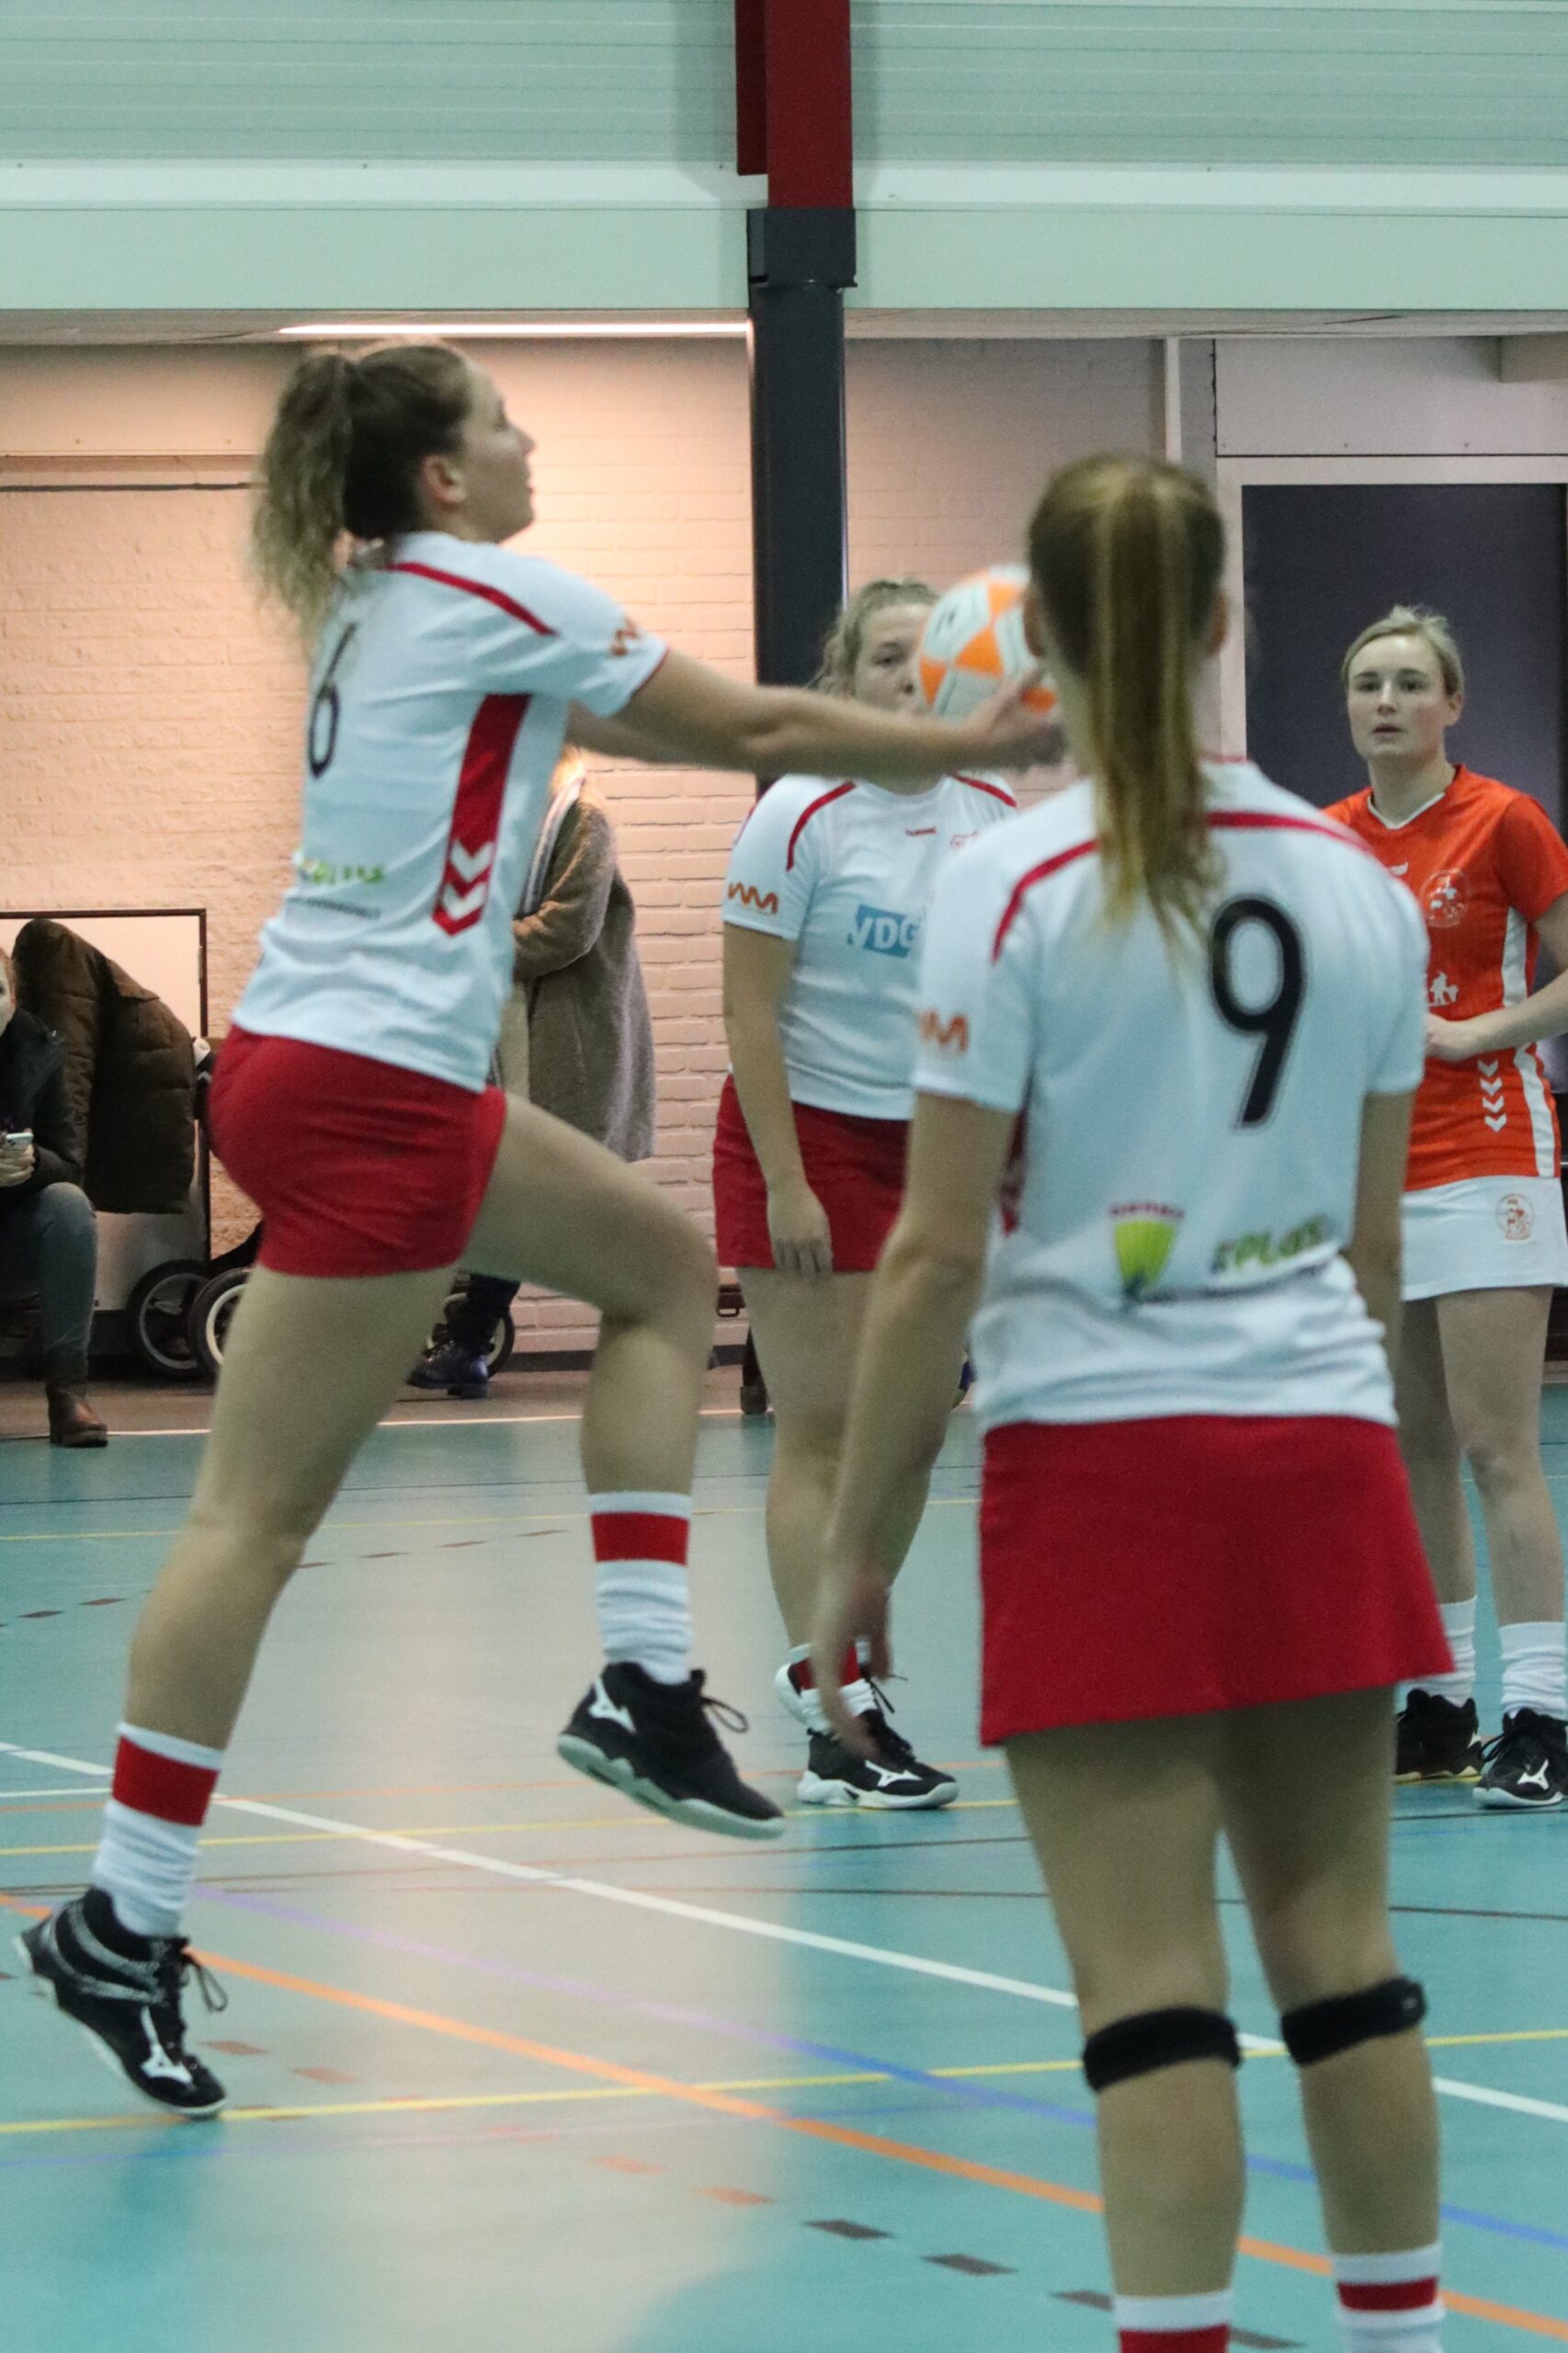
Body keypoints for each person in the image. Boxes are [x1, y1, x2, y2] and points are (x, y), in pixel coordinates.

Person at [17, 340, 1058, 2118]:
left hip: (310, 1060)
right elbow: (754, 728)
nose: (526, 440)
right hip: (375, 1091)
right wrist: (964, 740)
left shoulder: (377, 601)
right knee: (251, 1525)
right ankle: (129, 1912)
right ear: (442, 477)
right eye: (499, 424)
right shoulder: (500, 592)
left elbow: (649, 726)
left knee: (662, 1273)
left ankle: (640, 1679)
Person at [813, 457, 1449, 2353]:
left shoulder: (1004, 877)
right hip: (1319, 1445)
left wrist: (854, 1547)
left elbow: (933, 1256)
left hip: (1099, 1460)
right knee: (1345, 1965)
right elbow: (1370, 1246)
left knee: (1151, 1993)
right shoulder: (1355, 884)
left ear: (1041, 636)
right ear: (1223, 624)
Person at [718, 577, 1017, 1809]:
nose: (909, 676)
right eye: (886, 656)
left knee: (911, 1431)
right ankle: (836, 1708)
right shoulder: (799, 815)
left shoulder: (994, 814)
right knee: (828, 1430)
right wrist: (788, 1181)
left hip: (938, 1148)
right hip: (808, 1140)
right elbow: (747, 1011)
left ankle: (835, 1680)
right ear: (846, 678)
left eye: (928, 656)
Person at [1327, 610, 1568, 1807]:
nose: (1385, 700)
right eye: (1367, 683)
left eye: (1408, 683)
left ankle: (1541, 1713)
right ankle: (1433, 1704)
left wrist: (1479, 1031)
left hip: (1486, 1155)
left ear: (1449, 703)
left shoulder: (1503, 819)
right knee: (1410, 1443)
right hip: (1373, 1170)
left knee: (1493, 1444)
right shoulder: (1321, 840)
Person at [411, 751, 655, 1395]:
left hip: (569, 1033)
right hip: (516, 1028)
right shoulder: (507, 815)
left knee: (543, 1191)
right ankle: (474, 1342)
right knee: (540, 1191)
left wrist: (467, 948)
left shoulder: (581, 817)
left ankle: (472, 1341)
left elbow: (569, 930)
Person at [0, 947, 108, 1447]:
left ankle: (68, 1394)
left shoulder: (41, 1050)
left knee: (68, 1205)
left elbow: (69, 1161)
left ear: (14, 998)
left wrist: (33, 1164)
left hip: (14, 1237)